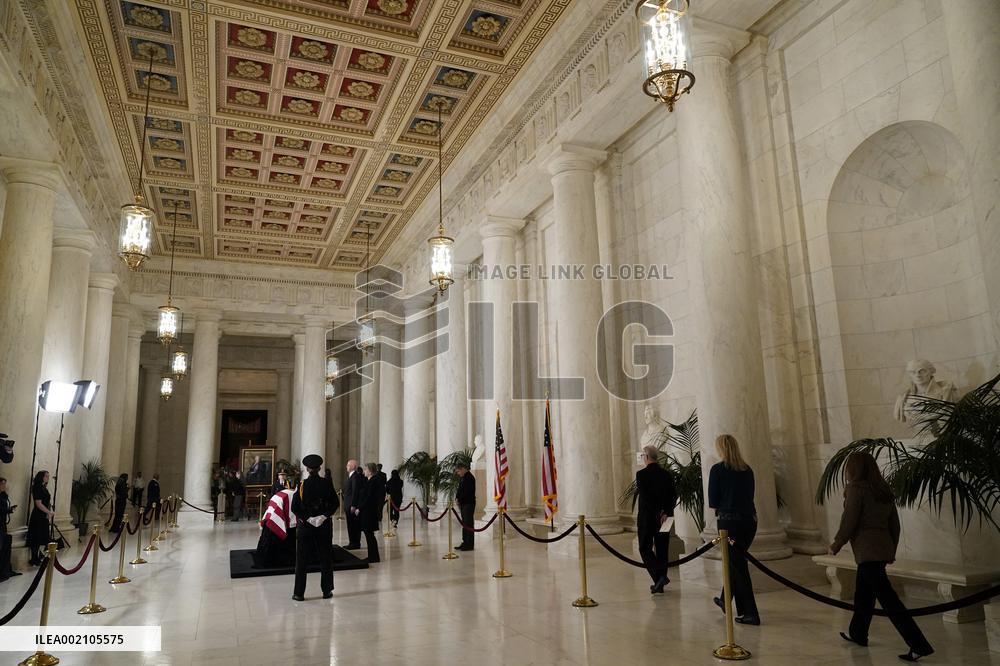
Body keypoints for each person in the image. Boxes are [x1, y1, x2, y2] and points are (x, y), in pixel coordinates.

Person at [830, 452, 934, 662]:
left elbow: (849, 520)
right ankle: (858, 633)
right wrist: (891, 550)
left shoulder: (856, 490)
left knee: (889, 601)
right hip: (880, 549)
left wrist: (836, 544)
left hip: (867, 551)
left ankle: (918, 644)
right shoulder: (882, 489)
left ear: (853, 469)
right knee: (864, 594)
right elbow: (894, 524)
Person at [708, 435, 760, 625]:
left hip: (729, 523)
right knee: (736, 562)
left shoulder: (718, 470)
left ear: (720, 449)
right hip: (749, 522)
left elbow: (713, 501)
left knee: (739, 566)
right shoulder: (747, 470)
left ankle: (751, 613)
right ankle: (725, 598)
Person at [291, 454, 337, 601]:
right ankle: (327, 591)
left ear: (307, 469)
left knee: (301, 560)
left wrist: (308, 518)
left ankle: (299, 593)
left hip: (306, 527)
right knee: (325, 558)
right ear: (319, 468)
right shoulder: (327, 483)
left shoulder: (302, 485)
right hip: (323, 527)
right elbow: (335, 503)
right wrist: (323, 516)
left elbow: (295, 507)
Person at [636, 445, 677, 594]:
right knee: (662, 549)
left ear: (646, 457)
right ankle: (661, 579)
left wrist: (657, 513)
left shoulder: (641, 475)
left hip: (648, 518)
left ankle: (659, 578)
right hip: (665, 518)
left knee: (644, 548)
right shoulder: (667, 475)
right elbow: (673, 495)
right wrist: (665, 512)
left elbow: (646, 498)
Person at [354, 463, 384, 563]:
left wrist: (359, 508)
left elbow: (368, 498)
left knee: (369, 534)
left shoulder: (373, 481)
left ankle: (374, 557)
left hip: (369, 512)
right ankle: (372, 556)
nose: (364, 471)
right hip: (367, 511)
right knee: (368, 534)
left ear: (370, 471)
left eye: (366, 469)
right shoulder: (369, 481)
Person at [27, 471, 55, 565]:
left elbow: (46, 501)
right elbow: (38, 503)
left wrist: (48, 512)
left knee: (41, 536)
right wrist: (49, 512)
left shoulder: (44, 487)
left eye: (48, 476)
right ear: (41, 477)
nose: (48, 478)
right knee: (36, 537)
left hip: (43, 515)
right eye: (46, 476)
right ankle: (34, 558)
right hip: (38, 515)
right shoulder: (37, 487)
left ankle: (38, 555)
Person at [0, 477, 22, 581]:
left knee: (6, 544)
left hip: (2, 523)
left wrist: (9, 509)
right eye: (2, 484)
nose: (4, 486)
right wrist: (8, 509)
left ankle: (7, 570)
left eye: (5, 483)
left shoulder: (3, 496)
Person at [343, 459, 366, 550]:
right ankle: (352, 542)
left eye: (348, 465)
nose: (346, 466)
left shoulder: (355, 477)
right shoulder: (351, 476)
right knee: (350, 524)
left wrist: (353, 505)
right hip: (348, 504)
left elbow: (355, 491)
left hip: (351, 505)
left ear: (353, 466)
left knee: (354, 525)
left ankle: (355, 543)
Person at [455, 462, 476, 551]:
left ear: (463, 469)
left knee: (468, 524)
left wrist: (460, 499)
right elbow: (459, 490)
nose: (458, 473)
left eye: (458, 471)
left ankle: (469, 544)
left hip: (468, 504)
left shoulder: (470, 478)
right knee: (464, 524)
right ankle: (464, 542)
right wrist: (457, 498)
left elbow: (467, 492)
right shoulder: (463, 478)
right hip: (464, 504)